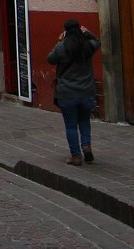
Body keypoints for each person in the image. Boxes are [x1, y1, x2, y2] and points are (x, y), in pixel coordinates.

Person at [47, 19, 101, 166]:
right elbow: (97, 41)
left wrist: (59, 41)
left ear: (65, 31)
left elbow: (50, 59)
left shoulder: (62, 47)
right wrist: (87, 32)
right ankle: (86, 146)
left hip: (67, 93)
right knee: (84, 121)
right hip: (86, 92)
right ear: (79, 30)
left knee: (71, 125)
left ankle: (76, 156)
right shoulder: (88, 46)